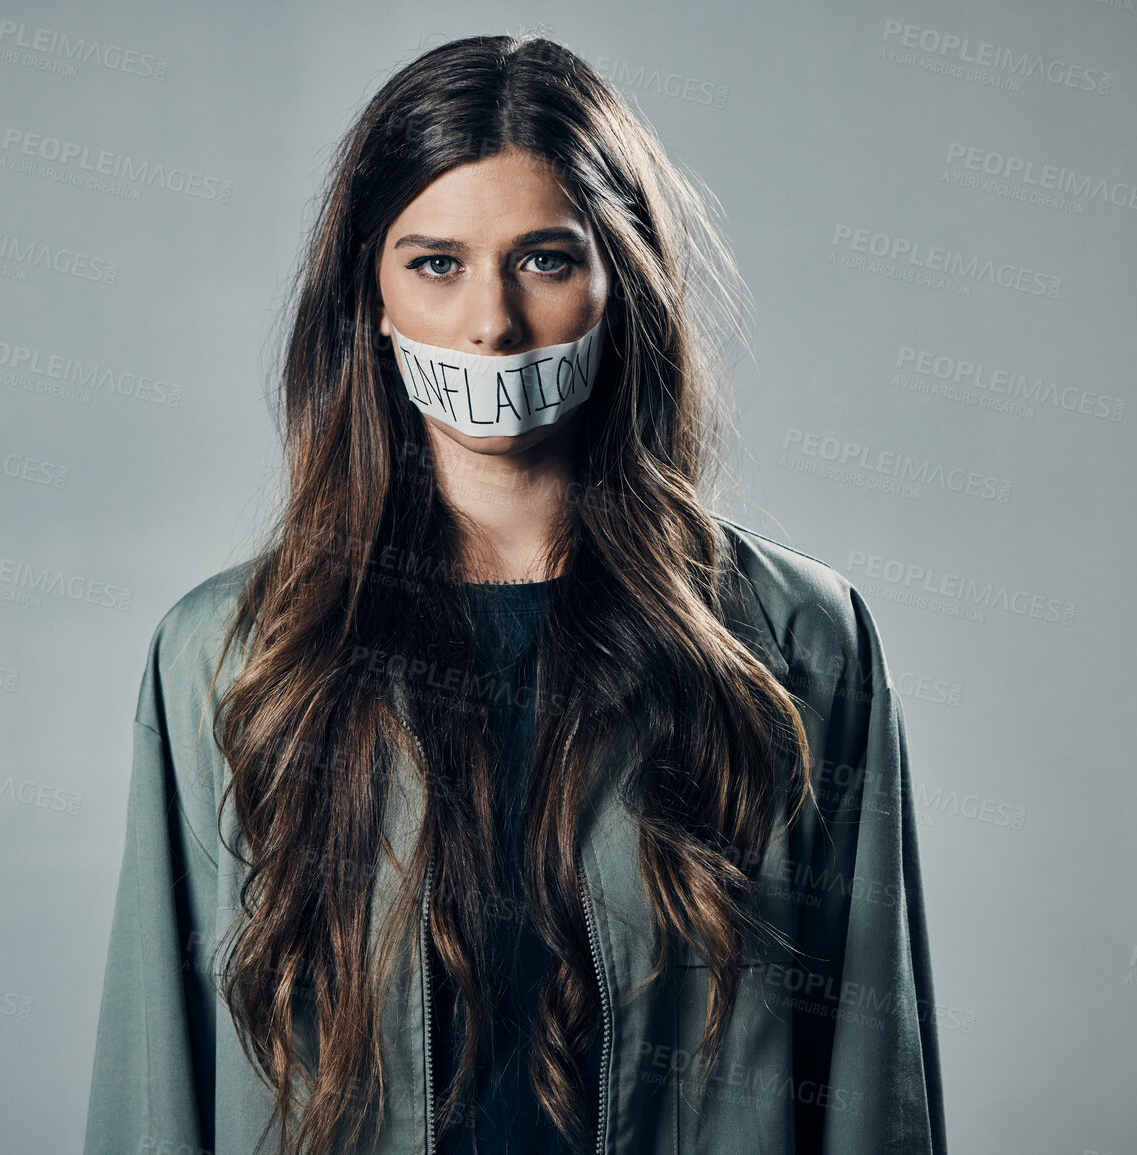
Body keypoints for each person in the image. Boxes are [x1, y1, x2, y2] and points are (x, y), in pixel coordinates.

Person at [85, 32, 946, 1155]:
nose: (490, 323)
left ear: (618, 282)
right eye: (436, 263)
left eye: (542, 259)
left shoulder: (796, 646)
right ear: (371, 295)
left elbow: (873, 1085)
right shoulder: (228, 657)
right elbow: (158, 1077)